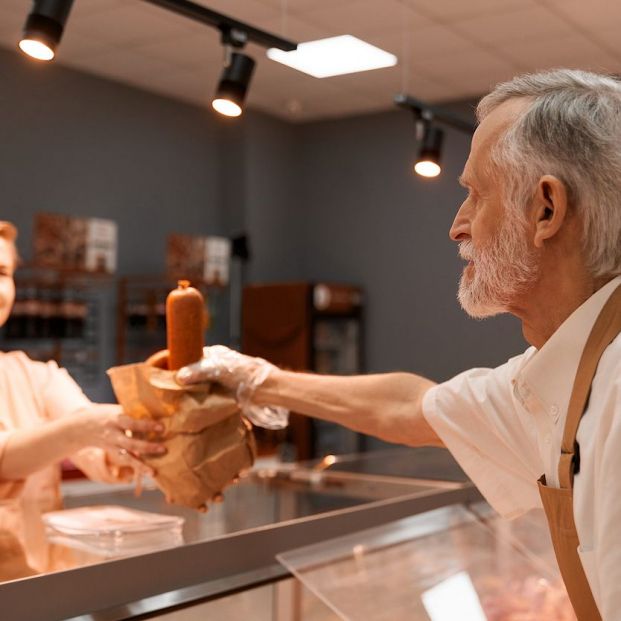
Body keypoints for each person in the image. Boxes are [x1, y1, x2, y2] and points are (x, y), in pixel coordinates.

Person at [178, 69, 621, 620]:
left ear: (546, 210)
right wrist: (254, 377)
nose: (458, 228)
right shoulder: (570, 372)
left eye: (475, 196)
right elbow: (409, 408)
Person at [0, 221, 165, 575]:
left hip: (37, 591)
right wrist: (84, 429)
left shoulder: (35, 376)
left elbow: (96, 445)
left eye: (2, 271)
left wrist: (150, 436)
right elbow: (6, 456)